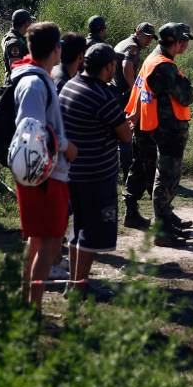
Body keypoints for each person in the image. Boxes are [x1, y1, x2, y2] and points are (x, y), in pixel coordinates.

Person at [11, 22, 77, 309]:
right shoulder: (35, 83)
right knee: (50, 242)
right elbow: (31, 131)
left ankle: (27, 303)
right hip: (45, 175)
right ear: (56, 50)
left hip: (42, 174)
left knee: (37, 240)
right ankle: (33, 307)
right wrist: (66, 146)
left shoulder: (36, 79)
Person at [59, 44, 131, 297]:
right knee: (90, 232)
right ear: (108, 67)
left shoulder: (70, 85)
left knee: (77, 228)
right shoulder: (102, 95)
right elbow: (125, 136)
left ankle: (73, 282)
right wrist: (127, 121)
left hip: (72, 172)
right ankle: (80, 286)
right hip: (96, 175)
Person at [124, 23, 193, 247]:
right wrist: (187, 84)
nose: (185, 45)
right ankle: (162, 230)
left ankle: (164, 222)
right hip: (167, 129)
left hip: (152, 125)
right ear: (174, 42)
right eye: (182, 41)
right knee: (166, 179)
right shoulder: (164, 66)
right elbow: (186, 97)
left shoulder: (152, 59)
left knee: (156, 175)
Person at [112, 23, 157, 181]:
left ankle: (124, 172)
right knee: (127, 135)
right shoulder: (132, 47)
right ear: (137, 32)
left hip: (115, 92)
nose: (148, 40)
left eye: (151, 38)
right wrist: (134, 89)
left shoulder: (124, 42)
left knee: (118, 134)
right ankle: (127, 175)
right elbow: (127, 66)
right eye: (146, 36)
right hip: (123, 95)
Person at [2, 9, 34, 84]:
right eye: (30, 22)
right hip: (15, 85)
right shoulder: (14, 43)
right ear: (26, 24)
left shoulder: (10, 36)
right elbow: (15, 69)